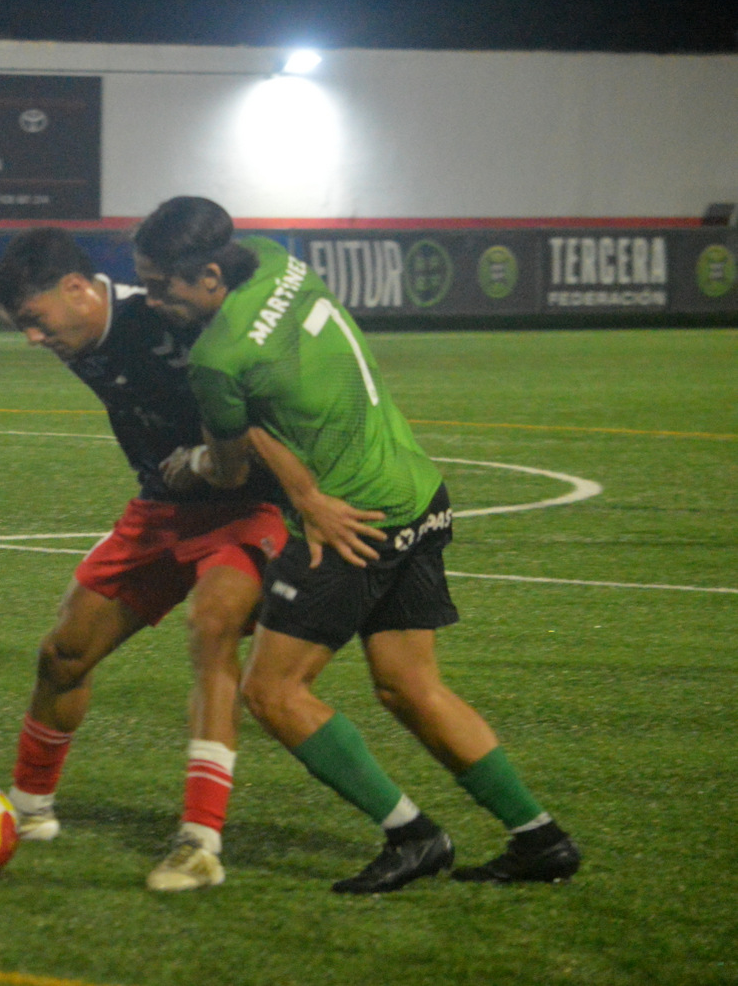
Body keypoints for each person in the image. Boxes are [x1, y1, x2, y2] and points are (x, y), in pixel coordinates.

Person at [130, 195, 580, 892]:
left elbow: (228, 464)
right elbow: (272, 406)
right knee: (410, 686)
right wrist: (300, 487)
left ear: (212, 277)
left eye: (164, 286)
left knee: (274, 692)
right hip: (418, 492)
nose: (155, 299)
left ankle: (413, 834)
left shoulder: (218, 357)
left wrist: (191, 465)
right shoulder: (278, 260)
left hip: (353, 524)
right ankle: (540, 838)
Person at [0, 230, 288, 891]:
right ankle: (29, 812)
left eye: (36, 322)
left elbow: (268, 409)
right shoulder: (64, 321)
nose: (32, 338)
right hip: (159, 511)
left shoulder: (168, 323)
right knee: (63, 653)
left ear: (78, 290)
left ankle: (200, 843)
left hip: (246, 506)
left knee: (211, 630)